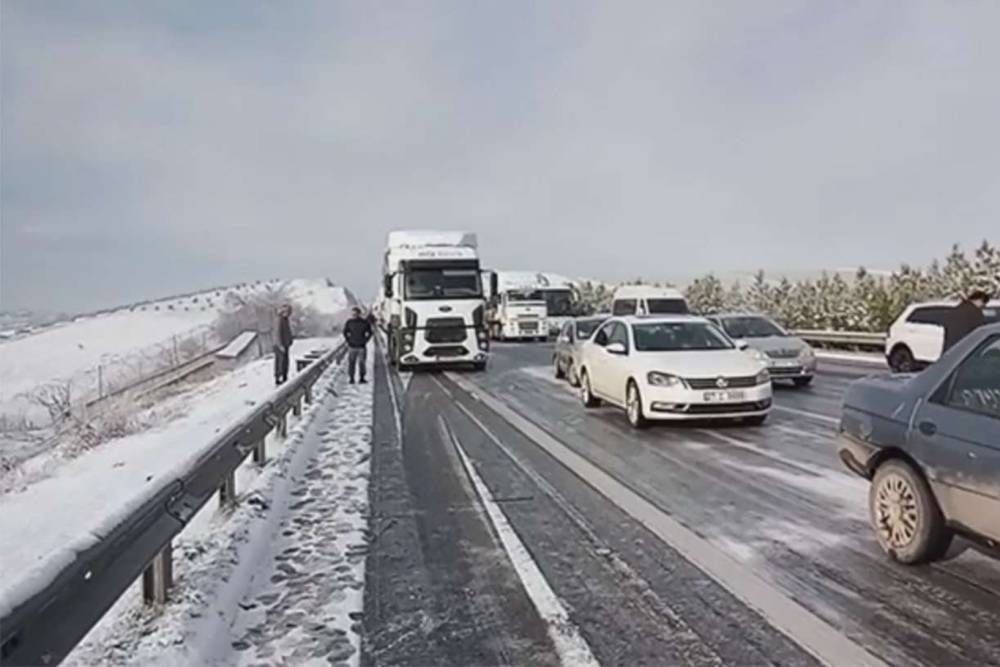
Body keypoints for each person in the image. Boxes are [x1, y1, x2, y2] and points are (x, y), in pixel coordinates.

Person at [343, 306, 374, 383]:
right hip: (352, 346)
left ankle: (362, 378)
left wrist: (365, 340)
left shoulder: (364, 322)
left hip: (361, 347)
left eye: (355, 314)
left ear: (359, 314)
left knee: (362, 363)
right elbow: (345, 332)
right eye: (353, 314)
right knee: (351, 363)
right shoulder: (349, 322)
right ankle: (351, 378)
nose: (354, 315)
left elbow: (370, 332)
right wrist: (348, 340)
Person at [274, 304, 293, 386]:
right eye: (286, 311)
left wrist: (290, 340)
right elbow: (277, 333)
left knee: (285, 362)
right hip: (280, 345)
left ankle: (285, 378)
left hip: (285, 344)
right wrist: (280, 345)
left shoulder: (285, 319)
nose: (287, 313)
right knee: (280, 363)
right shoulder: (279, 319)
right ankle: (279, 379)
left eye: (288, 311)